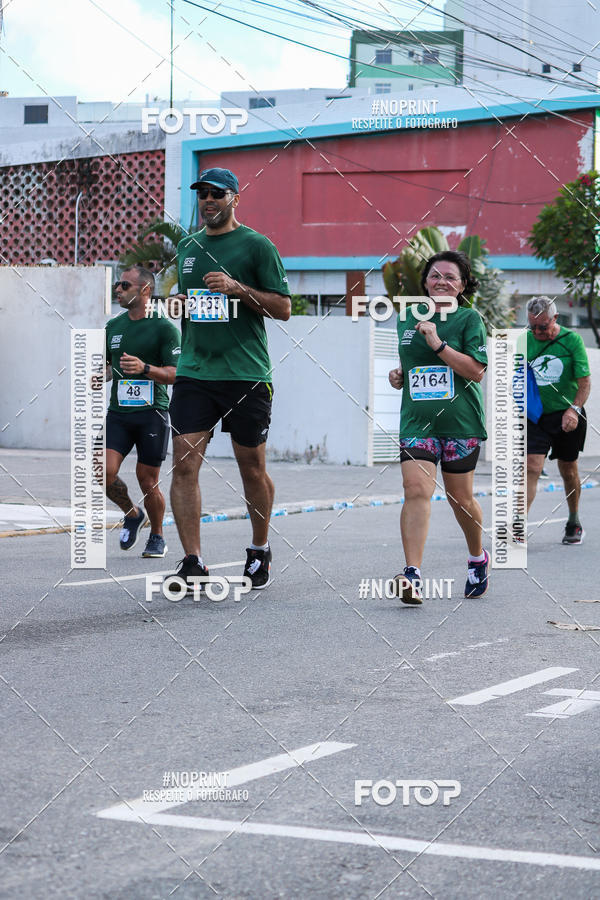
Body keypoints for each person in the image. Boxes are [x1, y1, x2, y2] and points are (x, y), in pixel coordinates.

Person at [168, 167, 291, 591]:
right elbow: (192, 303)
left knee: (251, 469)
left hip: (245, 374)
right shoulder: (188, 247)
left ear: (235, 198)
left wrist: (238, 288)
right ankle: (193, 561)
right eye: (202, 193)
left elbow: (283, 308)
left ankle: (259, 548)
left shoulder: (258, 246)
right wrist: (180, 304)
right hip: (195, 371)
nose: (208, 200)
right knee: (183, 463)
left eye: (216, 194)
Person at [388, 251, 489, 604]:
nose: (441, 282)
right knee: (415, 489)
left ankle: (477, 557)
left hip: (460, 423)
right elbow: (411, 366)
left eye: (450, 277)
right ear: (425, 282)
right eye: (435, 275)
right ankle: (412, 575)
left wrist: (438, 344)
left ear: (462, 285)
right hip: (418, 422)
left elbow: (476, 371)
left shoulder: (469, 319)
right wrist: (399, 376)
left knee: (460, 498)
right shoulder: (407, 318)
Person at [102, 266, 181, 556]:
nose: (118, 289)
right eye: (117, 284)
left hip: (152, 414)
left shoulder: (164, 328)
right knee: (102, 471)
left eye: (125, 285)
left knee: (147, 480)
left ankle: (157, 536)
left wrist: (145, 368)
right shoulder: (113, 326)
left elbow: (175, 374)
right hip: (118, 414)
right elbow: (109, 367)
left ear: (145, 290)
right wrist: (99, 375)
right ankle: (133, 514)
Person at [526, 295, 591, 543]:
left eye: (542, 326)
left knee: (568, 469)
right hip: (536, 416)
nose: (537, 332)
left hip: (567, 414)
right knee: (531, 466)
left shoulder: (571, 340)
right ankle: (518, 527)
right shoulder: (524, 341)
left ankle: (574, 520)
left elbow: (584, 383)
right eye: (532, 326)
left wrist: (573, 409)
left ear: (555, 318)